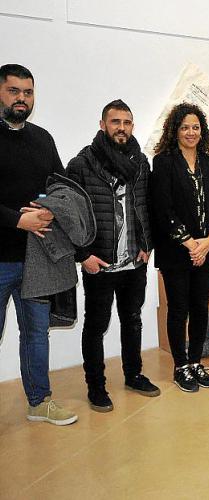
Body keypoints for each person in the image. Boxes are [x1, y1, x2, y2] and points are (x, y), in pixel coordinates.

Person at [66, 99, 160, 413]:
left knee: (132, 320)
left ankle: (134, 375)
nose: (122, 128)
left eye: (127, 122)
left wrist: (147, 243)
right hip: (100, 263)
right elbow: (69, 214)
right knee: (96, 326)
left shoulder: (140, 162)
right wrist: (83, 256)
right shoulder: (82, 163)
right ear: (102, 125)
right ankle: (96, 387)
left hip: (134, 260)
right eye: (115, 121)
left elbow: (147, 205)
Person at [0, 64, 76, 425]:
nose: (22, 99)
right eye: (14, 91)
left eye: (28, 92)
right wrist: (18, 220)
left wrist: (51, 209)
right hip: (0, 260)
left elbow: (60, 186)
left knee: (35, 334)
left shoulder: (43, 138)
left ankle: (39, 402)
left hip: (36, 260)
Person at [150, 102, 209, 393]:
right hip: (175, 252)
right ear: (175, 130)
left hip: (206, 251)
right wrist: (190, 244)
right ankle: (180, 366)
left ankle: (196, 362)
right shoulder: (163, 162)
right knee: (178, 309)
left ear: (202, 131)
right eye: (185, 127)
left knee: (199, 309)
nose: (191, 132)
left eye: (196, 127)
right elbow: (162, 209)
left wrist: (208, 242)